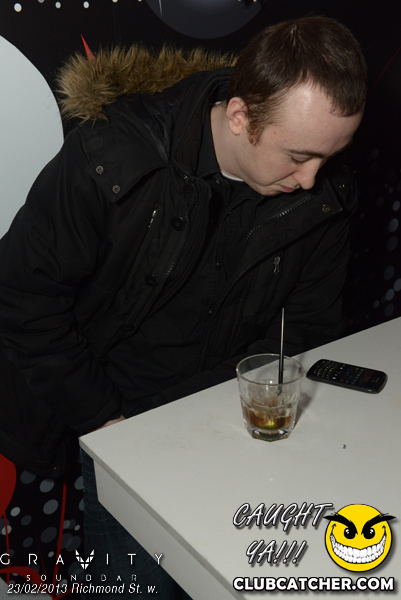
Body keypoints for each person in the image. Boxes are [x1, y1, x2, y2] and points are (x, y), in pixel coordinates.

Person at [0, 15, 366, 599]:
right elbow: (23, 301)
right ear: (240, 115)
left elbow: (306, 326)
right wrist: (108, 423)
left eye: (329, 156)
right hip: (109, 415)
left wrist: (239, 412)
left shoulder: (322, 192)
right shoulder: (110, 158)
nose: (311, 180)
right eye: (298, 156)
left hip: (228, 422)